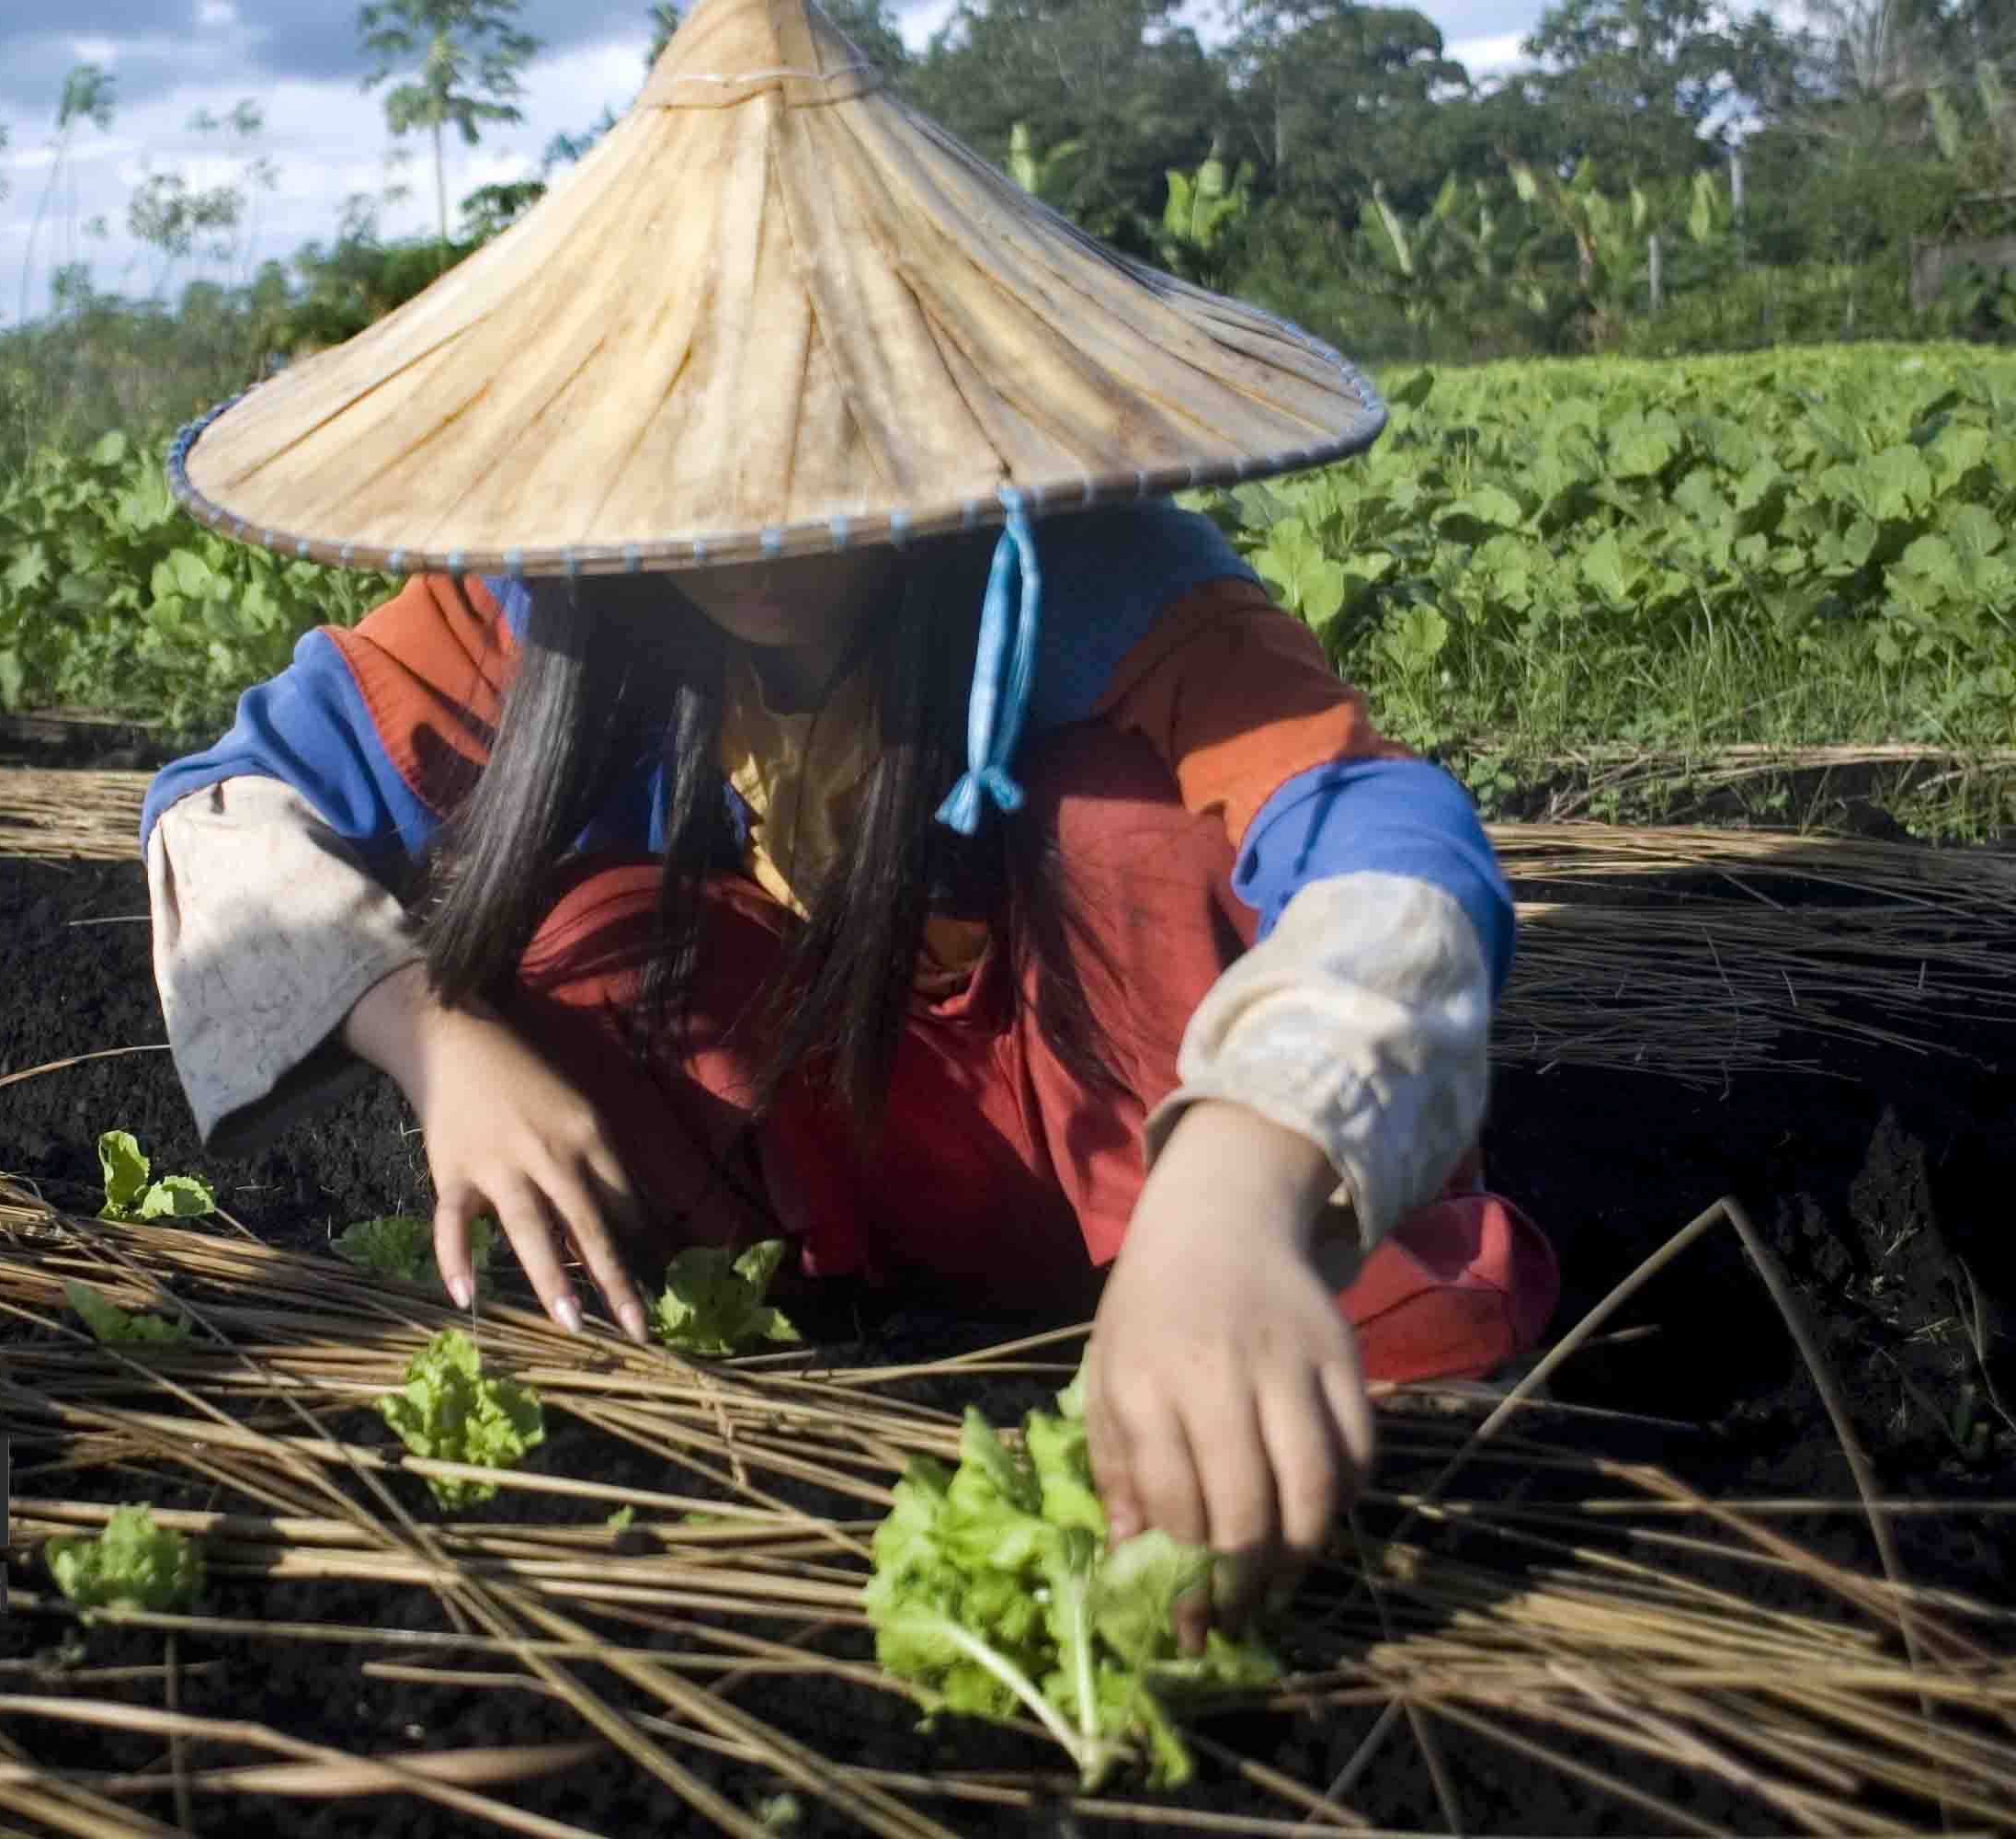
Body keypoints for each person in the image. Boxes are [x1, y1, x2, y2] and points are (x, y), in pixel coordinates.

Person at [141, 0, 1557, 1631]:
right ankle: (806, 1325)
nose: (757, 523)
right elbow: (228, 811)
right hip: (825, 1176)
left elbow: (1391, 852)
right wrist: (431, 1039)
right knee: (562, 940)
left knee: (1125, 834)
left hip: (1122, 1155)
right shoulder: (543, 612)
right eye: (700, 456)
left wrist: (1241, 1182)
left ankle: (1236, 1339)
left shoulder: (1103, 591)